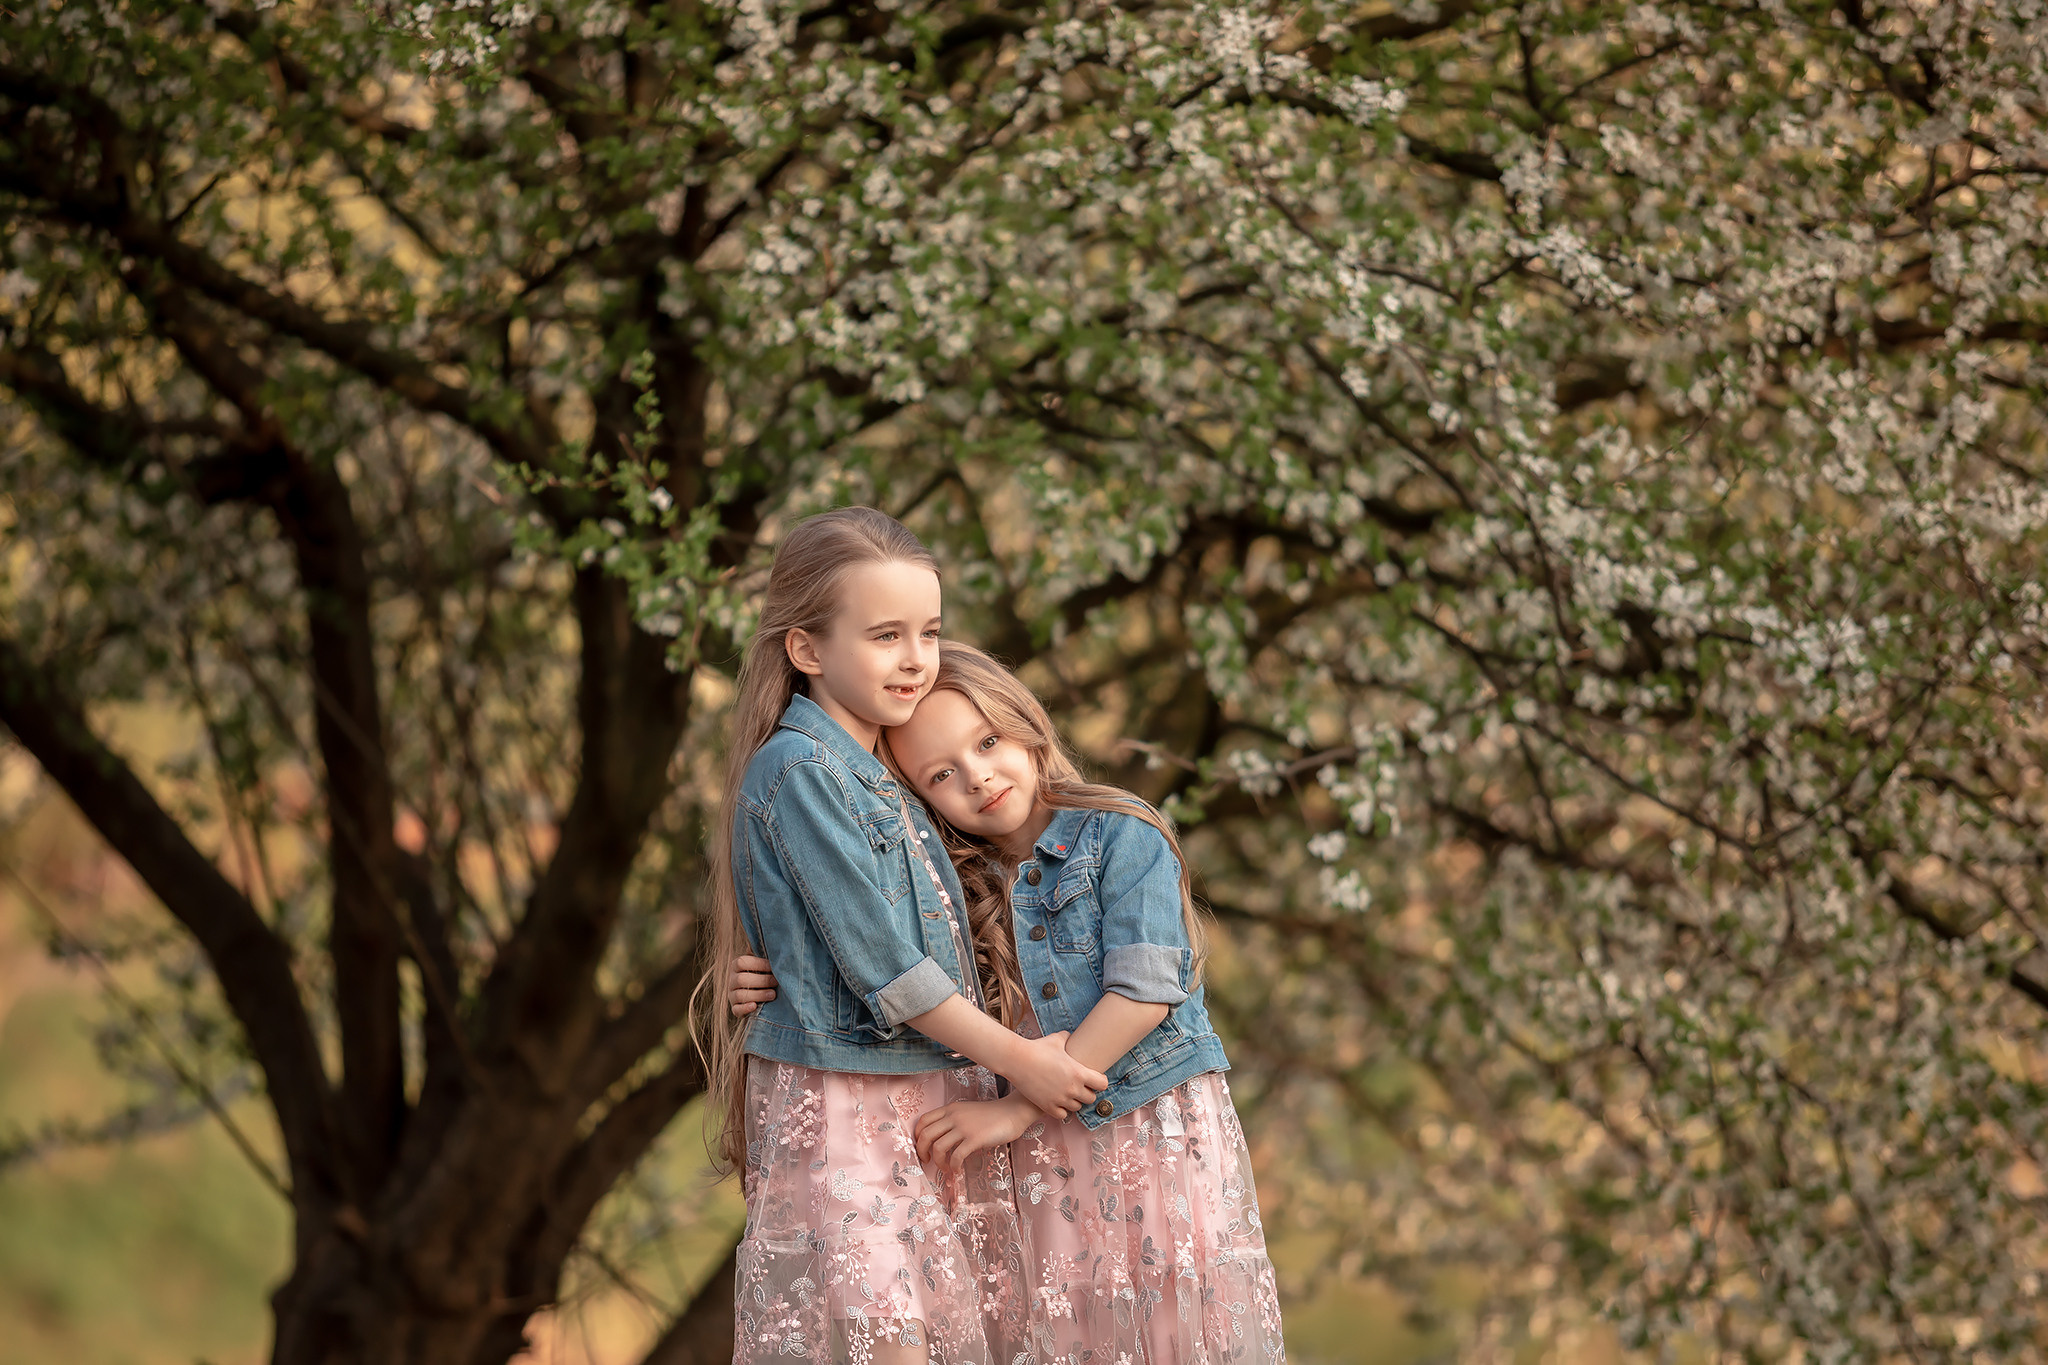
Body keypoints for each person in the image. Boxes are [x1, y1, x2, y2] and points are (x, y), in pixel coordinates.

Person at [731, 640, 1287, 1363]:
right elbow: (870, 960)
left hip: (1149, 1138)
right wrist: (767, 975)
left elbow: (1147, 991)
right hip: (1047, 1169)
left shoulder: (1122, 833)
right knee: (1077, 1334)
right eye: (942, 773)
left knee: (1175, 1331)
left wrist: (1017, 1104)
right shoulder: (952, 891)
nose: (978, 775)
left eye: (987, 741)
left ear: (1023, 723)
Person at [695, 510, 1109, 1365]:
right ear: (807, 650)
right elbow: (886, 965)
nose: (917, 657)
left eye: (929, 630)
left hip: (928, 1094)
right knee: (887, 1337)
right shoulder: (800, 770)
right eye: (886, 635)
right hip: (848, 1104)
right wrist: (1024, 1061)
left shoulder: (902, 765)